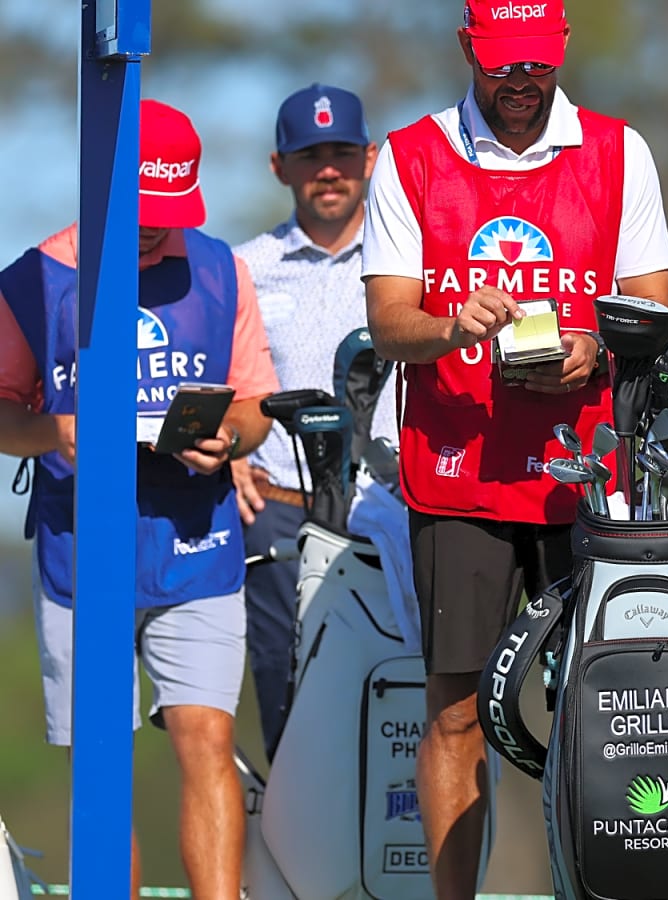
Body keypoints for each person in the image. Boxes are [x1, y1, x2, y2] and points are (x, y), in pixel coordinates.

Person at [360, 1, 668, 896]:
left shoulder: (619, 151)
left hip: (583, 478)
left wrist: (596, 351)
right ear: (470, 49)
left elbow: (653, 310)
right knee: (457, 712)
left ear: (561, 54)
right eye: (503, 65)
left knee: (601, 711)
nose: (521, 83)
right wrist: (449, 324)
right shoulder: (411, 157)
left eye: (536, 65)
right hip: (459, 476)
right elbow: (388, 324)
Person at [0, 99, 279, 900]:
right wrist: (53, 432)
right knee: (100, 761)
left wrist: (229, 437)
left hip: (197, 542)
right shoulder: (33, 280)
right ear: (104, 189)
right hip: (79, 550)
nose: (158, 233)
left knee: (206, 737)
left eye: (173, 214)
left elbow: (257, 402)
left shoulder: (222, 269)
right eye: (142, 215)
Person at [232, 83, 389, 760]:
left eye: (343, 153)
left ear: (371, 159)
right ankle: (296, 864)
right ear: (280, 167)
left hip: (388, 511)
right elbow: (216, 380)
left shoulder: (404, 264)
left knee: (395, 695)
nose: (329, 170)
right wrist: (232, 450)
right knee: (287, 700)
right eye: (310, 154)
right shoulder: (243, 268)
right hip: (279, 514)